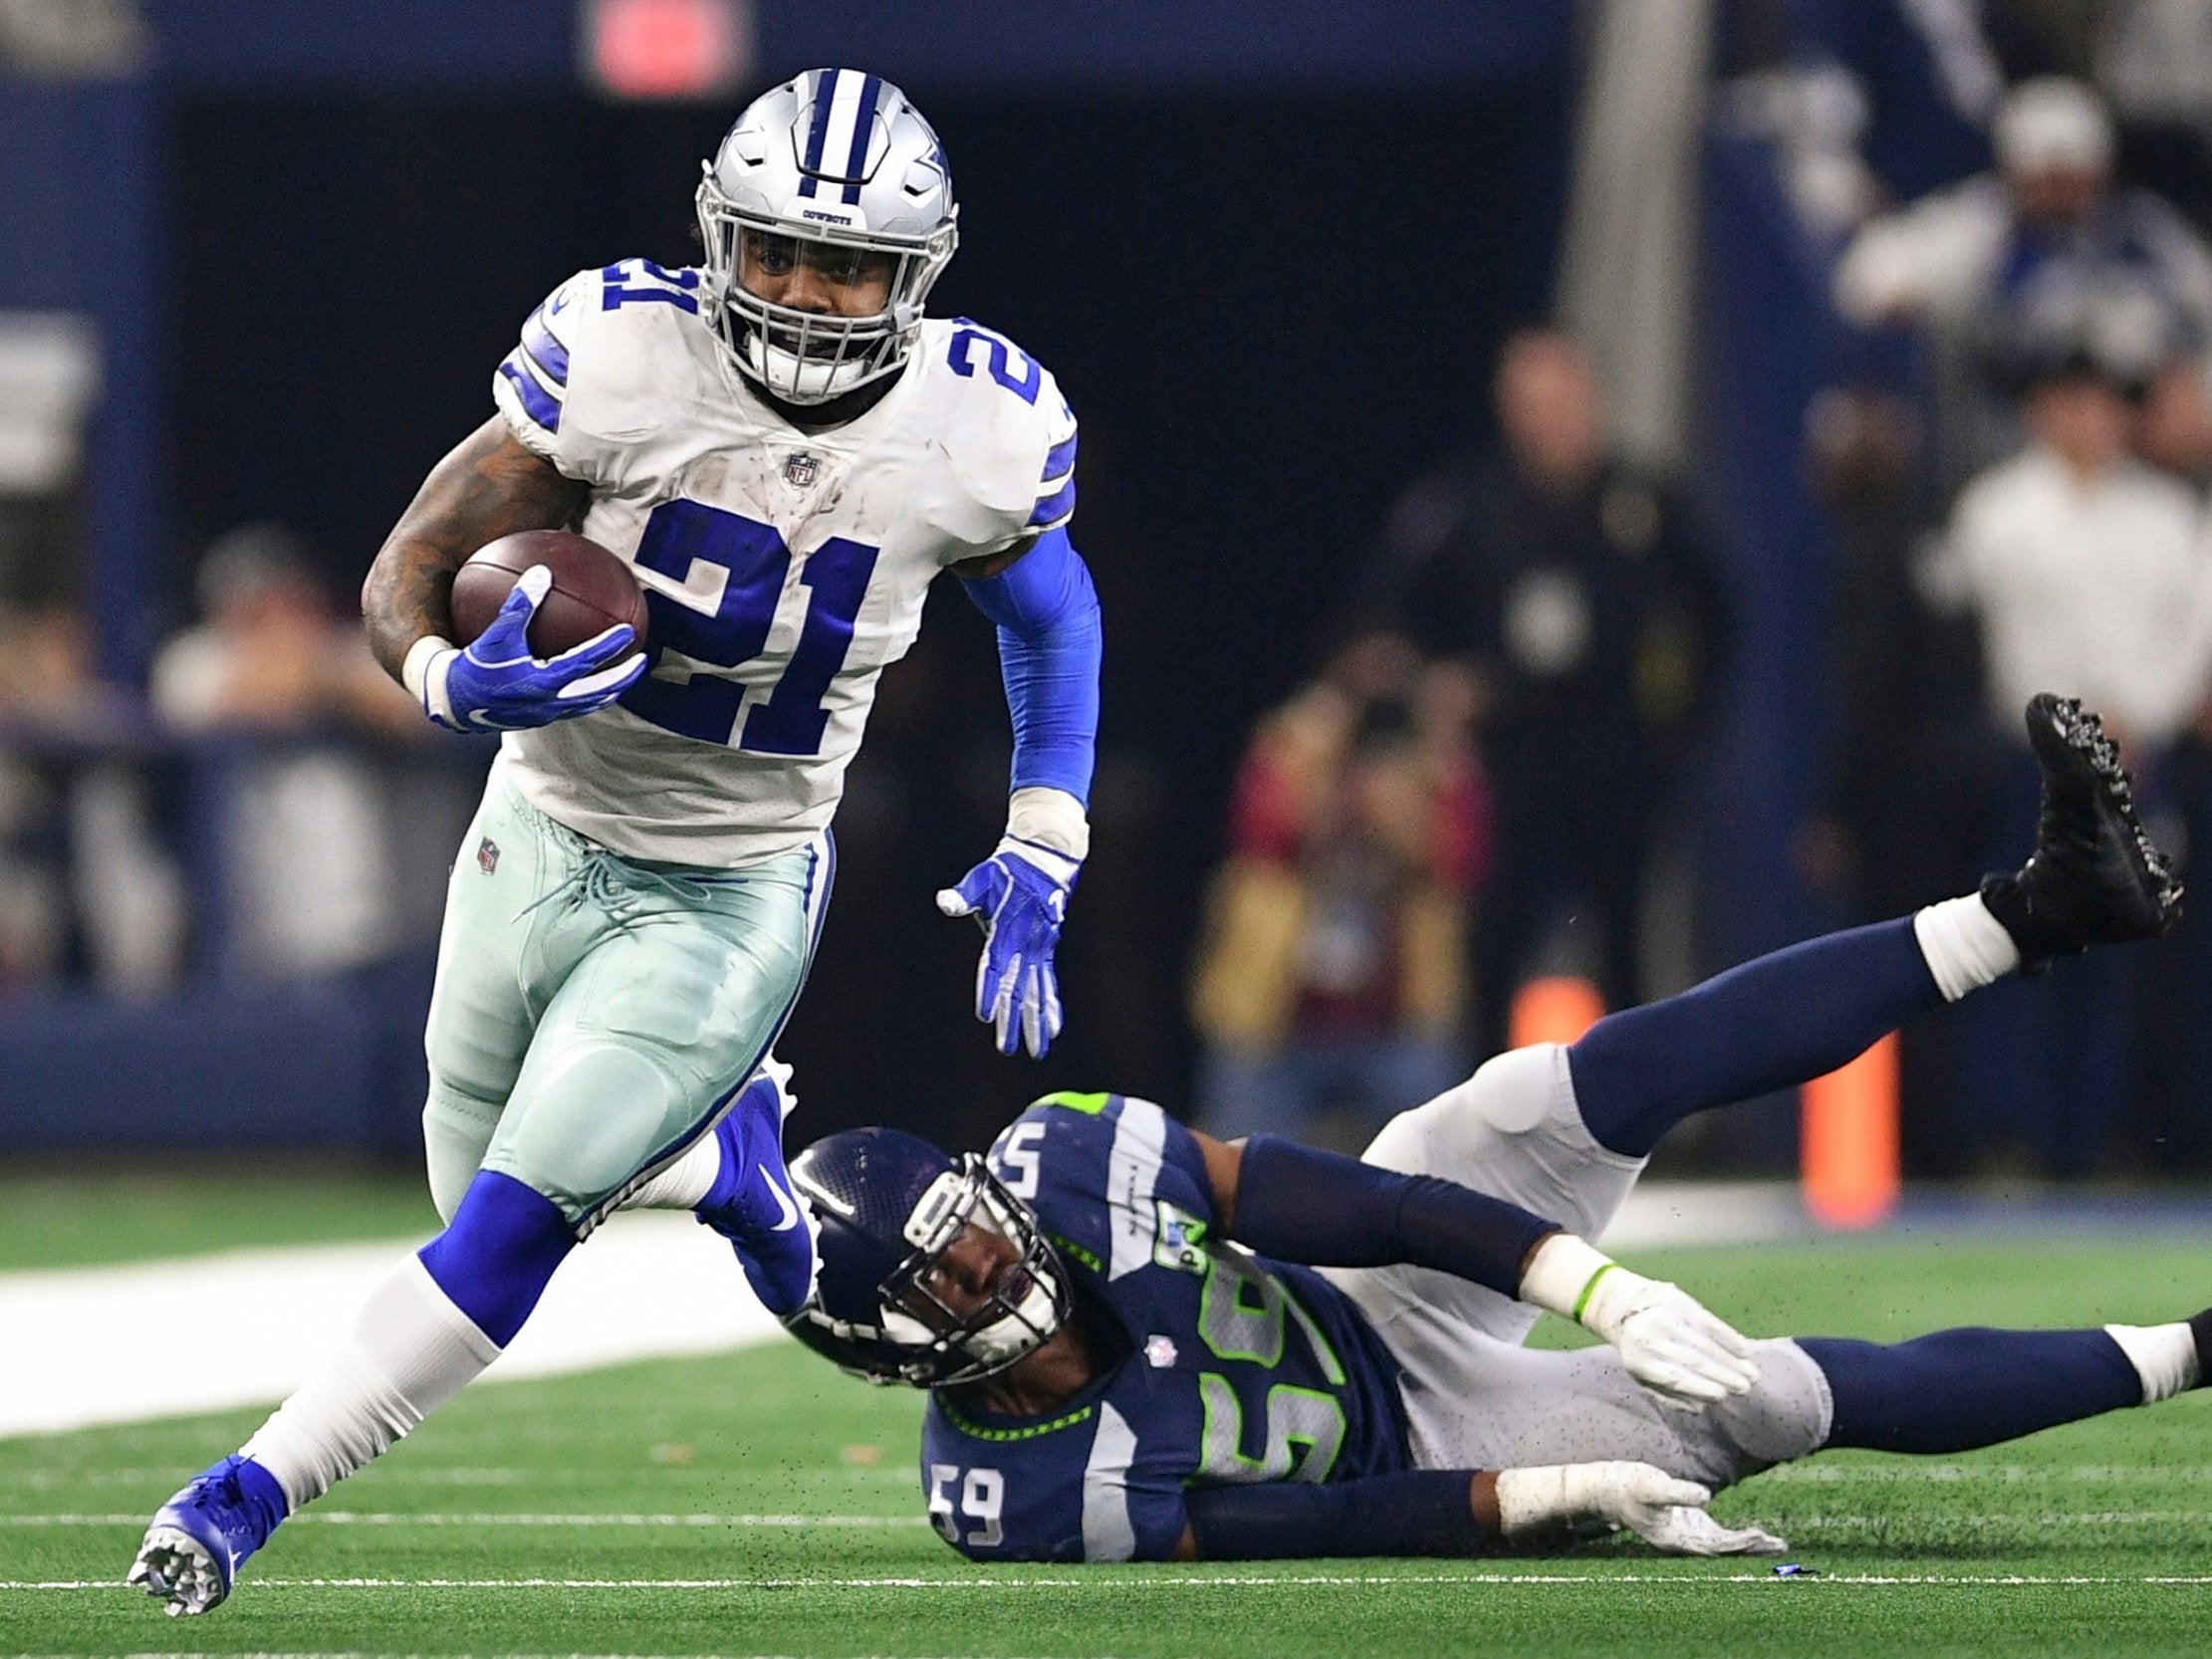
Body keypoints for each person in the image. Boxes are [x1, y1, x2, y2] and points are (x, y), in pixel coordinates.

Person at [128, 68, 1103, 1615]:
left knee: (506, 1235)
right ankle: (731, 1168)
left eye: (844, 262)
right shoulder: (626, 353)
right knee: (465, 1194)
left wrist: (1044, 829)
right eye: (774, 250)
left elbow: (1049, 609)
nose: (800, 288)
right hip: (540, 818)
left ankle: (244, 1494)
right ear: (719, 232)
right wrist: (445, 673)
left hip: (729, 885)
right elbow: (421, 552)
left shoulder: (976, 424)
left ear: (914, 277)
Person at [786, 697, 2188, 1562]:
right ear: (890, 1357)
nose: (995, 1260)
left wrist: (1597, 1284)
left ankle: (2044, 906)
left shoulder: (1060, 1163)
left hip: (1351, 1289)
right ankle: (2198, 1349)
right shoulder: (1008, 1493)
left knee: (1545, 1088)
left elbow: (1362, 1207)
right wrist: (1544, 1495)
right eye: (952, 1280)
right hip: (1423, 1439)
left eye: (971, 1227)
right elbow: (1317, 1525)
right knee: (1765, 1398)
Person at [1370, 329, 1727, 1053]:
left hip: (1615, 765)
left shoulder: (1639, 503)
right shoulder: (1467, 504)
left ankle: (1635, 1119)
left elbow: (1716, 616)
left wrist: (1679, 730)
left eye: (1559, 399)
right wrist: (1438, 689)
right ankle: (1482, 1122)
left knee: (1623, 944)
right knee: (1495, 945)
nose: (1546, 418)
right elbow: (1384, 625)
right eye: (1528, 402)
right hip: (1506, 772)